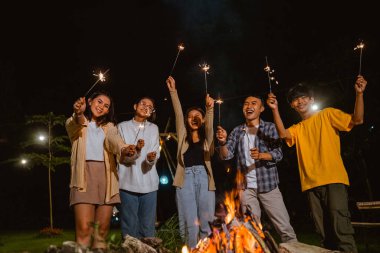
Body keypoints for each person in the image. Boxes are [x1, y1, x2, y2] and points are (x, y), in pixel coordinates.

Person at [266, 75, 367, 252]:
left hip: (333, 179)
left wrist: (359, 94)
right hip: (310, 185)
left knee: (340, 227)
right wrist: (274, 109)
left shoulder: (327, 114)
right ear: (292, 105)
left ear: (312, 99)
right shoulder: (298, 128)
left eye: (303, 97)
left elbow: (357, 120)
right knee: (324, 234)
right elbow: (283, 135)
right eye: (295, 99)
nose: (299, 101)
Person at [215, 95, 298, 243]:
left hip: (269, 185)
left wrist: (262, 155)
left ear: (261, 109)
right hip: (246, 188)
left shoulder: (270, 127)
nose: (249, 106)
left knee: (284, 228)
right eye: (246, 104)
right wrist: (222, 143)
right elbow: (226, 156)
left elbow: (278, 154)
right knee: (251, 229)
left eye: (254, 103)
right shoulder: (237, 131)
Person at [65, 91, 130, 251]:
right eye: (99, 102)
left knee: (101, 233)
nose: (101, 107)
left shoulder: (110, 127)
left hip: (107, 179)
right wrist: (78, 113)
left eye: (106, 105)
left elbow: (115, 141)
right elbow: (74, 123)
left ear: (108, 111)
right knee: (84, 231)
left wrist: (125, 148)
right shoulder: (77, 123)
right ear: (89, 101)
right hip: (83, 178)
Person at [166, 76, 216, 249]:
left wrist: (209, 110)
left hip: (204, 178)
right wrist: (173, 91)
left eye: (198, 116)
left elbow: (209, 127)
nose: (194, 118)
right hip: (184, 179)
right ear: (187, 121)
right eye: (190, 117)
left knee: (206, 223)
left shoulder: (207, 139)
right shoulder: (183, 136)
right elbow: (179, 113)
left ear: (202, 120)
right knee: (189, 225)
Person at [117, 97, 160, 239]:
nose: (146, 106)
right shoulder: (122, 126)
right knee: (129, 227)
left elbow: (154, 154)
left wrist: (150, 158)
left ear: (151, 111)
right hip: (127, 183)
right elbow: (122, 157)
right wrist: (136, 150)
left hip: (149, 184)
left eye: (150, 106)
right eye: (143, 103)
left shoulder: (154, 128)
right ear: (135, 106)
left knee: (148, 227)